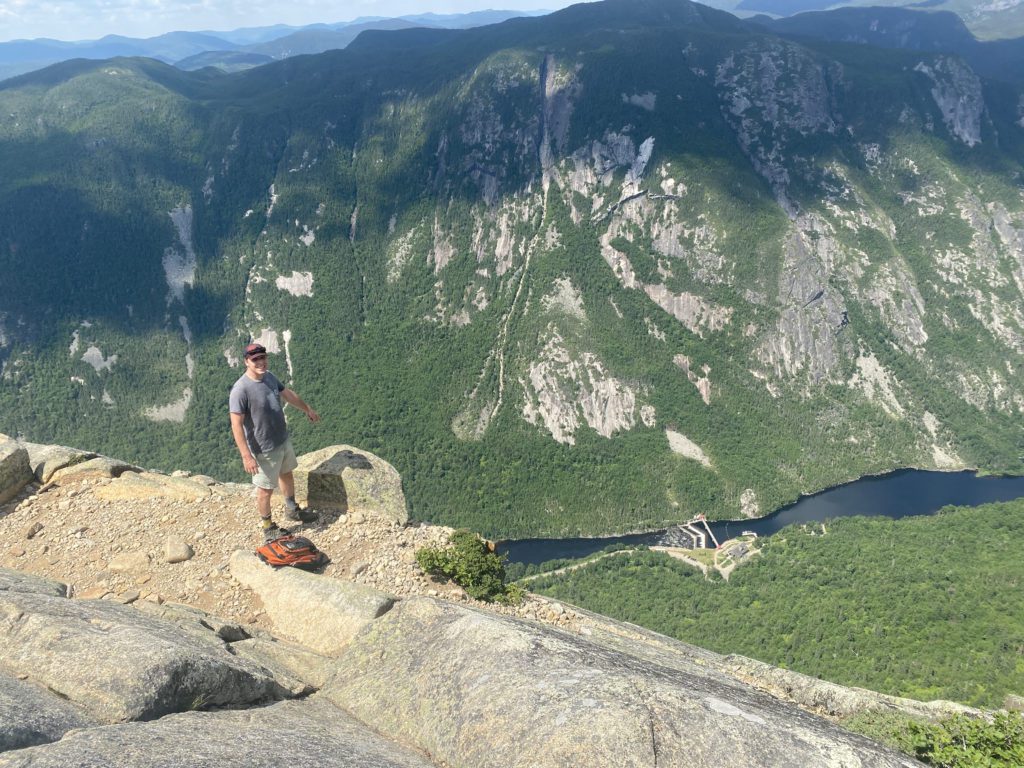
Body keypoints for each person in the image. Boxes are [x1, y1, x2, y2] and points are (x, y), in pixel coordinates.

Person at [229, 342, 321, 541]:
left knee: (286, 474)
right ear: (246, 362)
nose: (261, 362)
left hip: (282, 439)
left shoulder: (269, 377)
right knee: (265, 490)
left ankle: (292, 509)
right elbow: (236, 425)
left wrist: (307, 409)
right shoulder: (240, 390)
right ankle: (267, 527)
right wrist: (246, 456)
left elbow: (286, 394)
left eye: (263, 358)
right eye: (255, 360)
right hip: (263, 448)